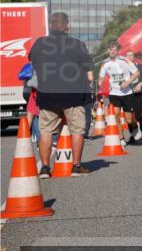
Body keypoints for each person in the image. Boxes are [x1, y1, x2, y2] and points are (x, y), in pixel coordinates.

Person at [28, 12, 93, 177]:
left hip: (47, 93)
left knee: (46, 131)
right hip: (74, 95)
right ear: (67, 26)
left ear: (50, 25)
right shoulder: (77, 44)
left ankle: (44, 168)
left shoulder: (40, 43)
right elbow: (87, 68)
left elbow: (32, 60)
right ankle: (76, 166)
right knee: (77, 130)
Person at [98, 42, 138, 144]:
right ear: (108, 50)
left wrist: (128, 82)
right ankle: (121, 138)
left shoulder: (125, 60)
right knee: (116, 116)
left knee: (129, 120)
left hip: (127, 93)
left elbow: (136, 73)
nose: (112, 51)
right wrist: (100, 82)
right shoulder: (105, 63)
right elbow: (101, 76)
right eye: (111, 50)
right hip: (114, 93)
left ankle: (134, 127)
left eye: (114, 50)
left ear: (117, 51)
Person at [125, 50, 142, 141]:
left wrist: (141, 83)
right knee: (129, 117)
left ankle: (141, 121)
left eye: (131, 55)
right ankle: (132, 135)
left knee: (137, 116)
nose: (129, 57)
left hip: (138, 94)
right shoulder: (123, 68)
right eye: (127, 56)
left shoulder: (139, 67)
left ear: (134, 57)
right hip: (127, 94)